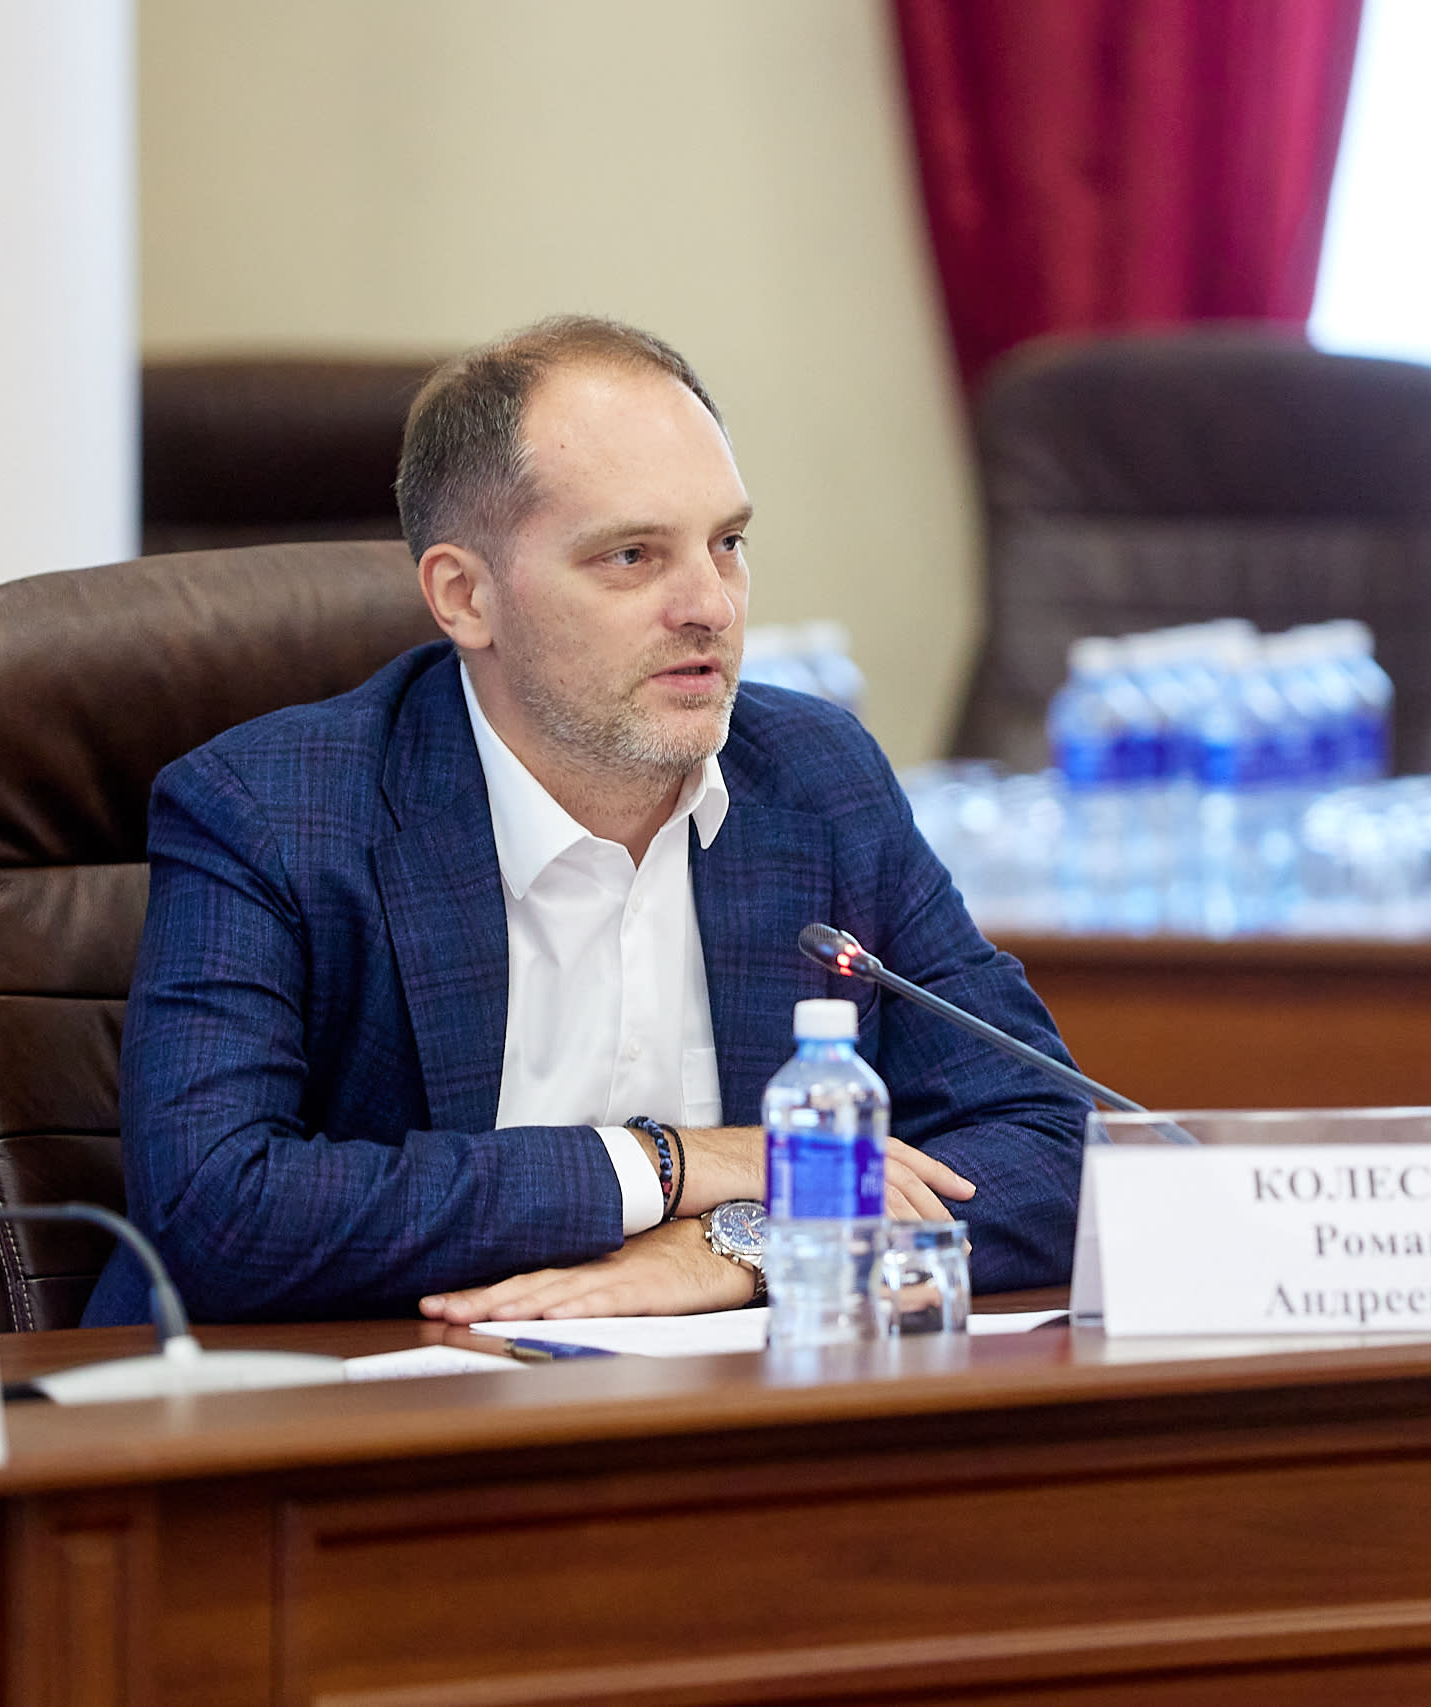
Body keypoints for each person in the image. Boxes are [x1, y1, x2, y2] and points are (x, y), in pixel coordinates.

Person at [81, 315, 1086, 1328]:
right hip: (355, 1398)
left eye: (727, 544)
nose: (710, 606)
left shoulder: (814, 781)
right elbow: (214, 1211)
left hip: (716, 1402)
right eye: (632, 556)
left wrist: (738, 1243)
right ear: (465, 597)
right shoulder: (272, 811)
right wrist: (667, 1165)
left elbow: (1055, 1142)